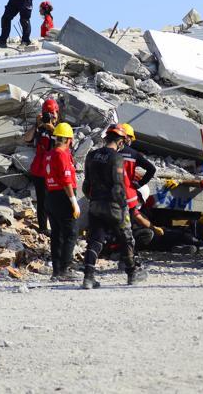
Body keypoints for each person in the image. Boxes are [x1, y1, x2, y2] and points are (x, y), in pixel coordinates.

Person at [81, 124, 148, 289]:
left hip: (95, 204)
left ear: (106, 138)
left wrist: (93, 199)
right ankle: (132, 273)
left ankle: (88, 278)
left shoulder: (91, 155)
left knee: (95, 240)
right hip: (113, 206)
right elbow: (118, 186)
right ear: (120, 142)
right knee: (126, 238)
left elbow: (85, 185)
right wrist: (123, 207)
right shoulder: (116, 158)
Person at [43, 123, 80, 281]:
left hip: (50, 196)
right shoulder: (61, 154)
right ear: (69, 140)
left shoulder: (50, 154)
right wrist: (74, 201)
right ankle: (65, 269)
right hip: (63, 196)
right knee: (71, 233)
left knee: (57, 234)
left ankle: (57, 271)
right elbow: (66, 181)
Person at [23, 99, 59, 235]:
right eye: (48, 113)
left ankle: (55, 226)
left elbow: (65, 145)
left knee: (55, 201)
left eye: (53, 113)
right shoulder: (39, 127)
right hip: (39, 170)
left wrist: (52, 130)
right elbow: (26, 139)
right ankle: (43, 228)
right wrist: (36, 125)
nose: (51, 116)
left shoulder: (60, 128)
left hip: (54, 171)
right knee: (42, 200)